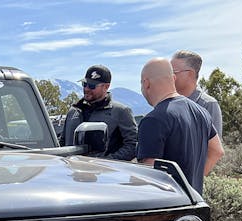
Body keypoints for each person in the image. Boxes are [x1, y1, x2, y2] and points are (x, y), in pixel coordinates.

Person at [137, 58, 224, 194]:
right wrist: (190, 185)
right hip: (193, 201)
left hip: (167, 204)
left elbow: (149, 177)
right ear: (173, 78)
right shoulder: (201, 112)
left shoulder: (153, 120)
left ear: (146, 83)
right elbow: (217, 151)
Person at [59, 65, 137, 161]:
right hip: (70, 168)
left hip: (102, 169)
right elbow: (62, 143)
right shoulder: (74, 111)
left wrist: (107, 161)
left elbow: (132, 145)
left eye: (92, 86)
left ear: (106, 87)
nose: (87, 89)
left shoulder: (120, 112)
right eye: (84, 84)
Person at [171, 50, 223, 138]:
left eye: (173, 72)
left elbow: (215, 145)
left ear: (190, 74)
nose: (170, 76)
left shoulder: (208, 105)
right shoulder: (167, 103)